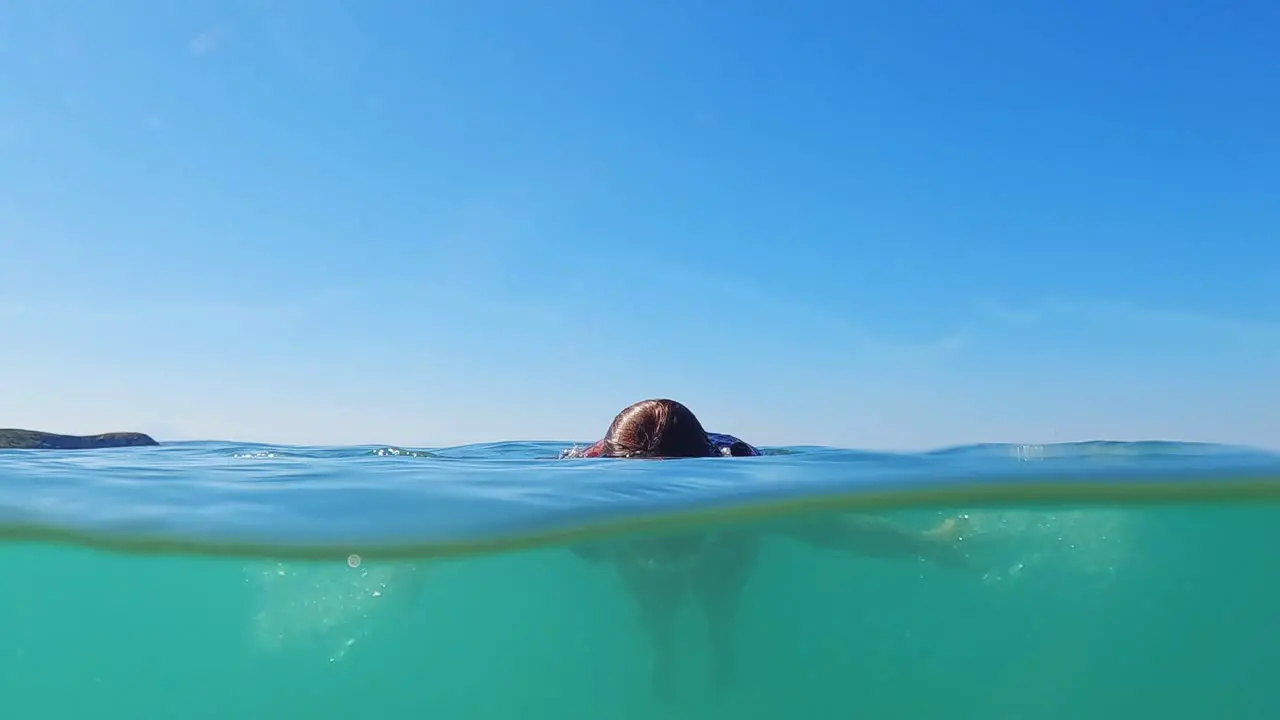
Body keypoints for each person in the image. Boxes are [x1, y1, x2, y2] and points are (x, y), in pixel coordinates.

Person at [560, 398, 974, 701]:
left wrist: (927, 543)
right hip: (660, 515)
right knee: (656, 615)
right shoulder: (588, 473)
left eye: (675, 537)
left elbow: (827, 527)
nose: (667, 549)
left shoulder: (739, 467)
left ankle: (721, 652)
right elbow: (590, 543)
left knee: (719, 604)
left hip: (721, 533)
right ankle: (662, 657)